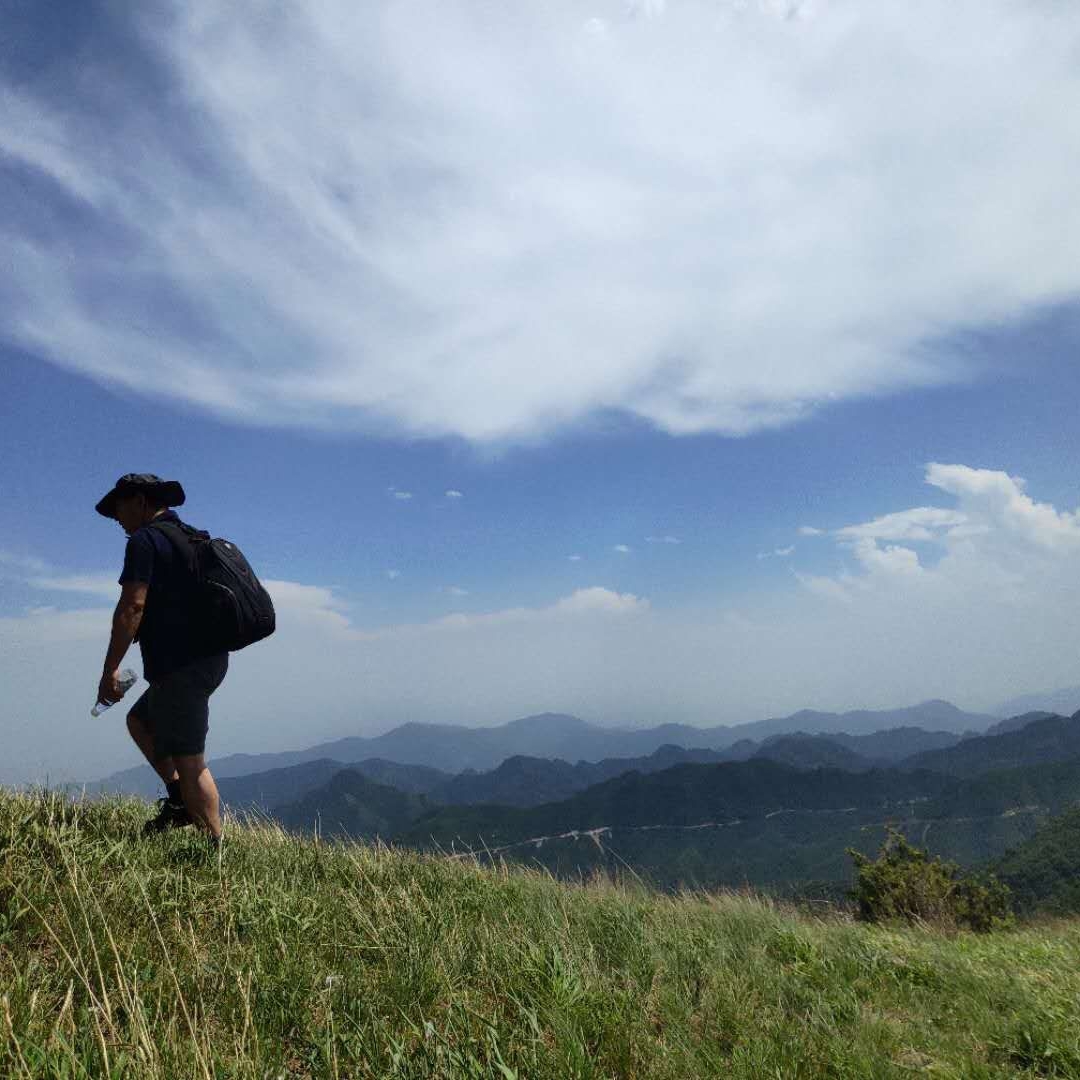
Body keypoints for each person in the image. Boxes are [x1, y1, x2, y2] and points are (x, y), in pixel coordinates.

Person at [95, 473, 228, 846]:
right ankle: (179, 801)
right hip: (209, 659)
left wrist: (110, 670)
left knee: (190, 762)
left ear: (139, 501)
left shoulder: (145, 541)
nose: (116, 519)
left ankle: (213, 853)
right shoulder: (191, 536)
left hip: (182, 666)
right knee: (140, 721)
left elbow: (132, 606)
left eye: (118, 509)